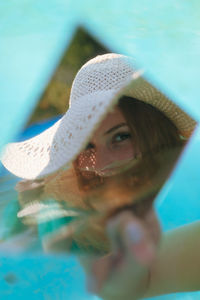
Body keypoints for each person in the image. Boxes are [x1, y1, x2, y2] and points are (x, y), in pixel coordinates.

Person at [1, 53, 199, 299]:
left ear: (153, 129)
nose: (102, 164)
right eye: (88, 147)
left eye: (120, 136)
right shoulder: (65, 209)